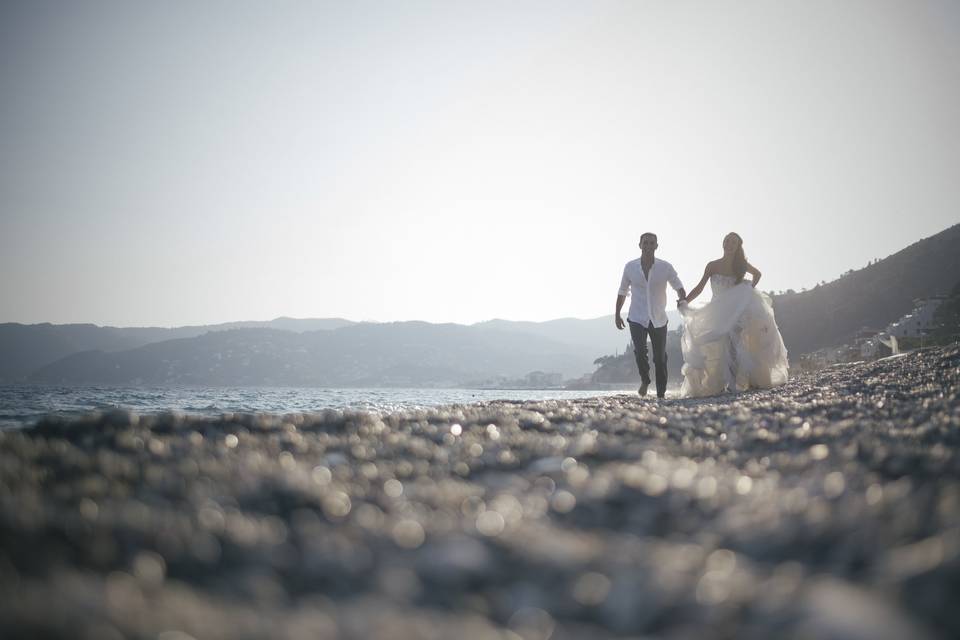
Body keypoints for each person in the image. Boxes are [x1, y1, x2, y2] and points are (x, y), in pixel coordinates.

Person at [677, 232, 789, 397]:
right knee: (717, 344)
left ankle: (732, 384)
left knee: (733, 344)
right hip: (718, 310)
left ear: (738, 246)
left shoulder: (741, 264)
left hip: (736, 311)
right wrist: (685, 300)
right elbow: (700, 287)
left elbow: (757, 274)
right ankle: (718, 383)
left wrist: (747, 290)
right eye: (727, 241)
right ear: (723, 243)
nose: (729, 244)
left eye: (733, 242)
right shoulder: (712, 265)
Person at [615, 232, 686, 398]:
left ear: (656, 246)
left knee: (660, 358)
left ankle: (661, 393)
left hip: (659, 318)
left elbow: (679, 286)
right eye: (645, 243)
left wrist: (682, 298)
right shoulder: (630, 267)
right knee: (640, 351)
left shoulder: (665, 267)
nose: (648, 246)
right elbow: (622, 291)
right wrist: (617, 314)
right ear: (640, 245)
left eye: (651, 243)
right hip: (636, 317)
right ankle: (645, 380)